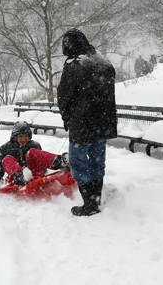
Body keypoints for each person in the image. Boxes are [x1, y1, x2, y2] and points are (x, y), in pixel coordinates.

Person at [57, 29, 117, 217]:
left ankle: (89, 204)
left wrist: (67, 118)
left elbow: (64, 96)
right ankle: (96, 198)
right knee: (97, 160)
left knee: (78, 162)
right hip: (104, 122)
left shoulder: (75, 64)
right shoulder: (103, 61)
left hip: (82, 123)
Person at [0, 121, 69, 185]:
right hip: (17, 179)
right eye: (20, 136)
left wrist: (44, 175)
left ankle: (60, 162)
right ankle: (22, 176)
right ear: (15, 136)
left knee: (32, 152)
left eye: (26, 136)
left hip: (35, 175)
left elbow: (42, 160)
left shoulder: (34, 145)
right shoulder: (5, 148)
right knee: (7, 159)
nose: (24, 139)